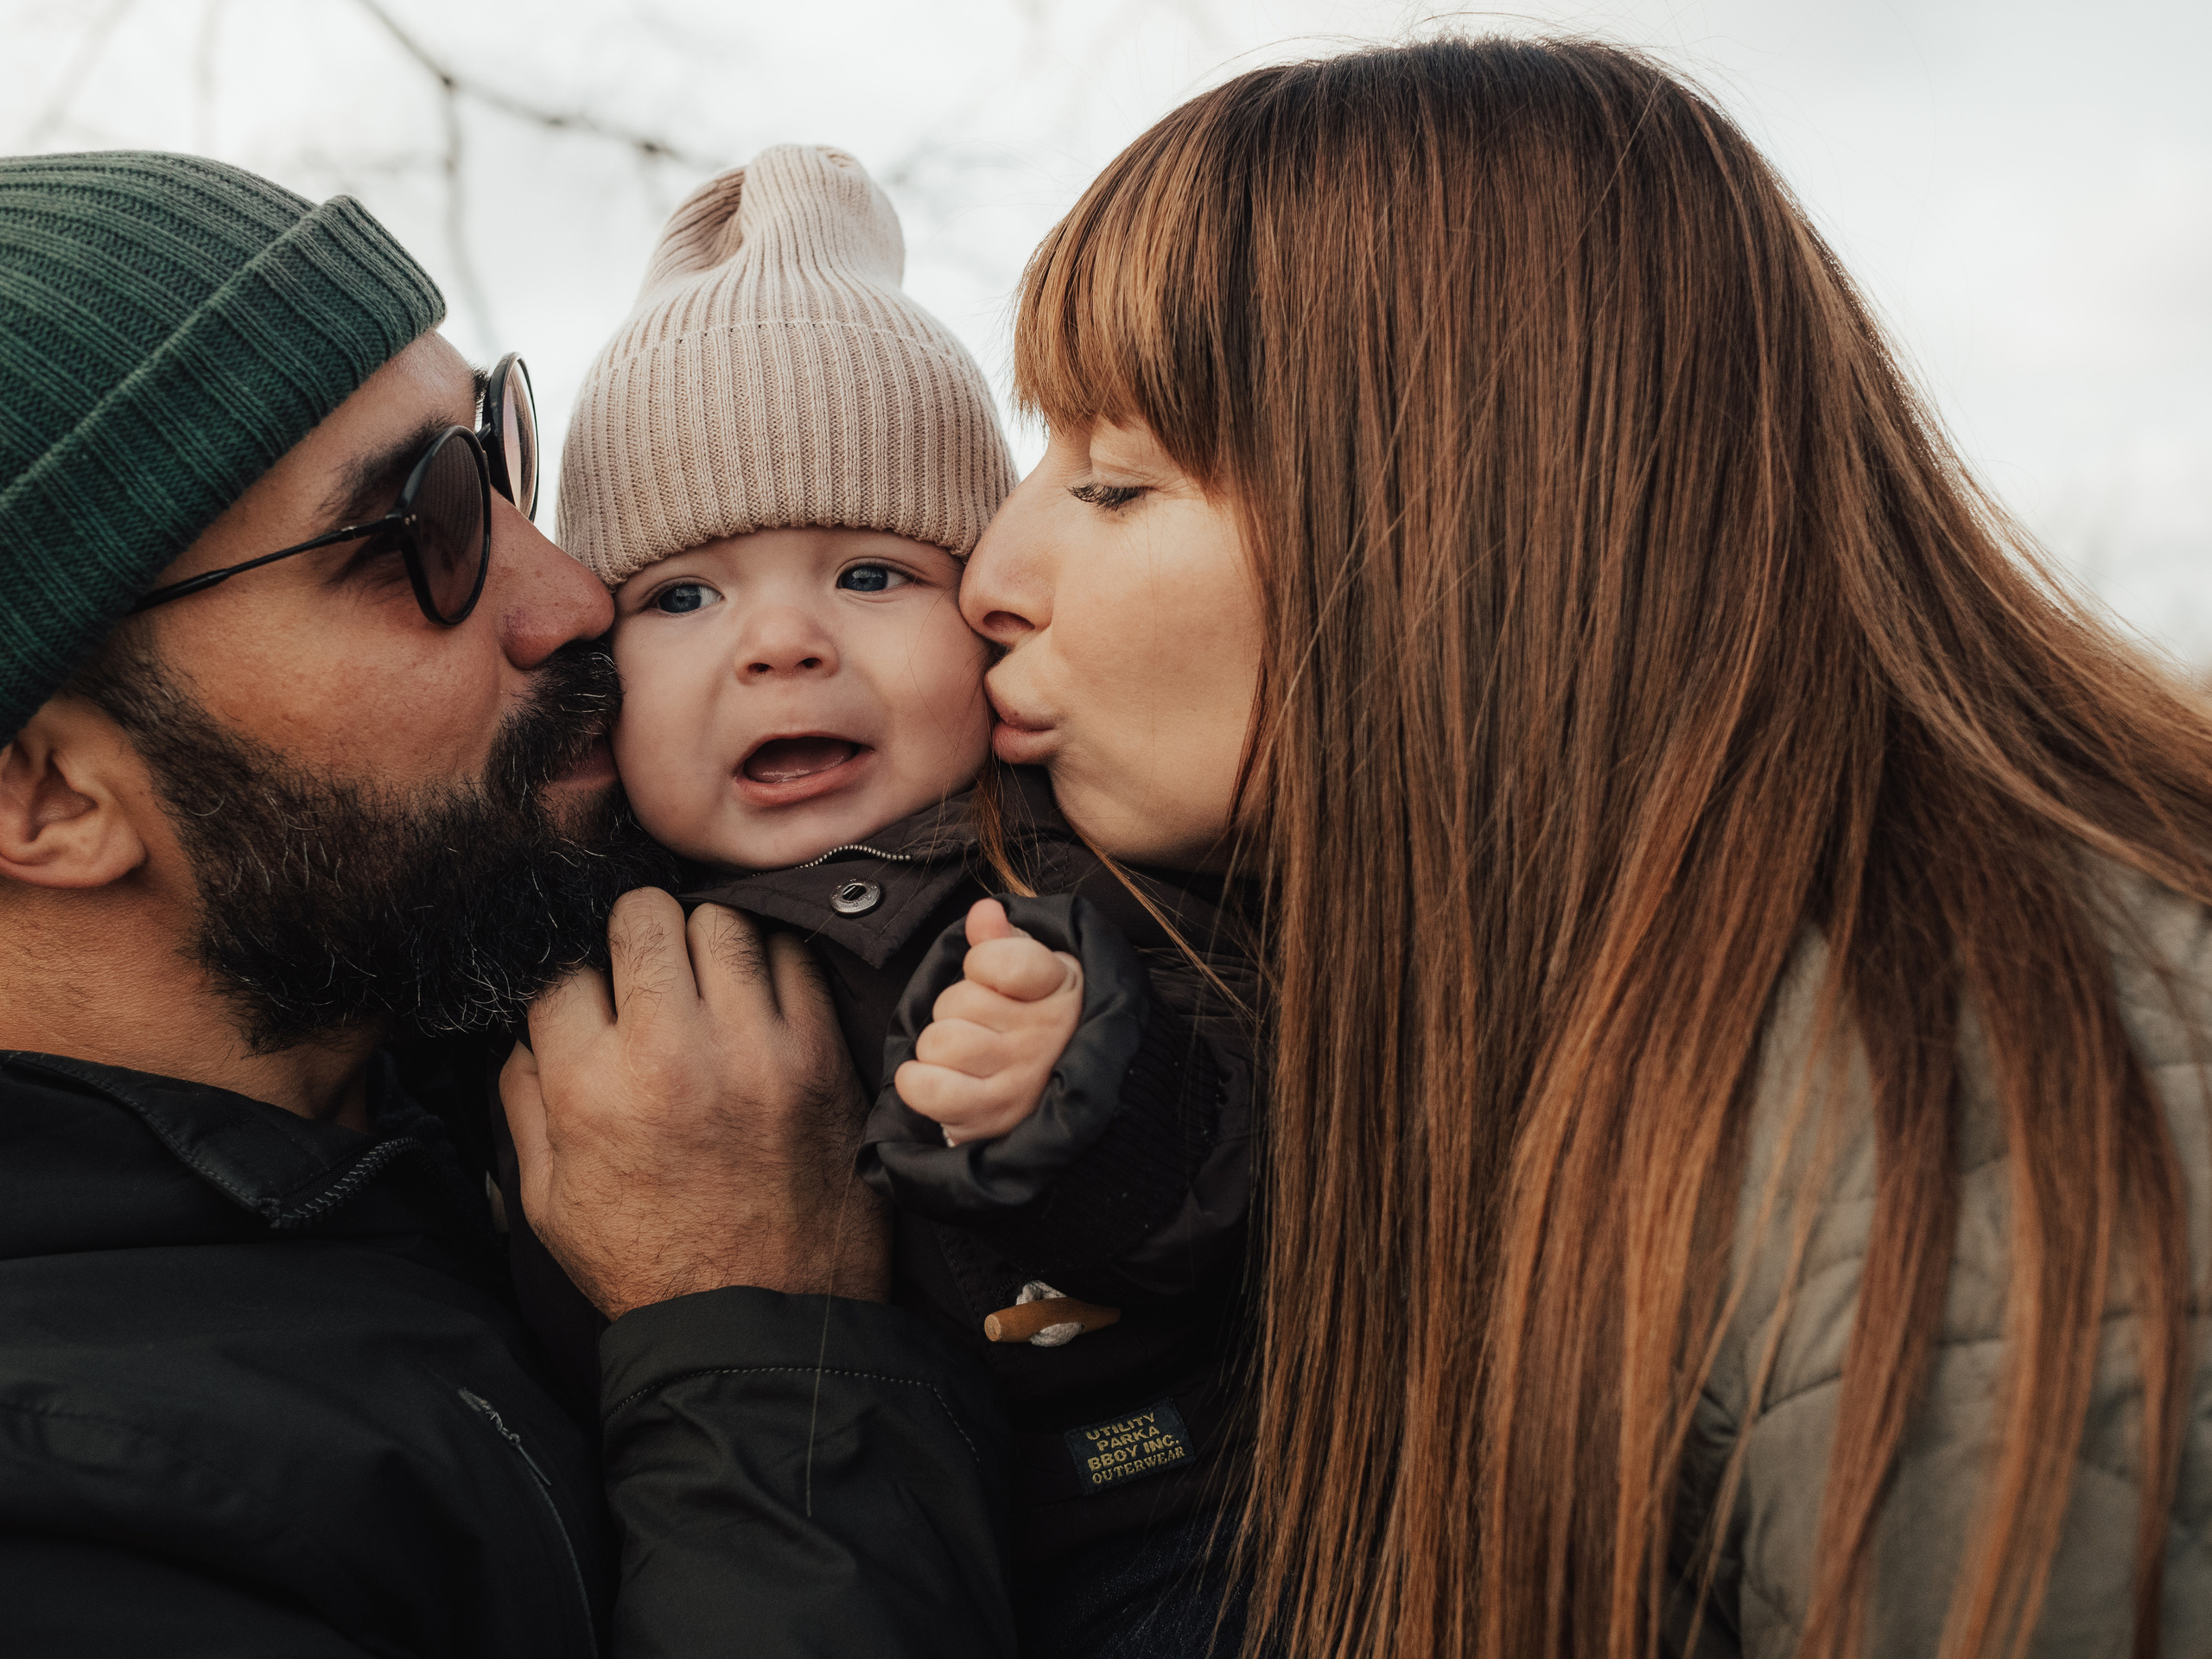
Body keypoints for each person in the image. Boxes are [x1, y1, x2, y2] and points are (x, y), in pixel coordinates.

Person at [950, 35, 2212, 1659]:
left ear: (1457, 509)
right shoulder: (1495, 1001)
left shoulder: (1969, 1127)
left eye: (1114, 481)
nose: (992, 568)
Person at [0, 149, 1011, 1656]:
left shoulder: (493, 1035)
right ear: (49, 799)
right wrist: (757, 1339)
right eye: (428, 531)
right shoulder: (71, 1515)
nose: (575, 596)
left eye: (500, 452)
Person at [519, 143, 1258, 1654]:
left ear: (982, 606)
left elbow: (1287, 1144)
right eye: (682, 596)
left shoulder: (1075, 869)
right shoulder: (562, 938)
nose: (783, 642)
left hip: (1173, 1523)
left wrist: (1086, 1091)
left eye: (870, 575)